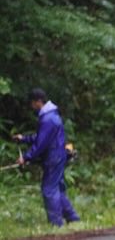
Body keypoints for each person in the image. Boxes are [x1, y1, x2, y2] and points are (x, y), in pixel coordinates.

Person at [14, 88, 80, 227]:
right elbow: (42, 137)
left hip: (53, 157)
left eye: (32, 103)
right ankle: (73, 219)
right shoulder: (50, 116)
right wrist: (24, 139)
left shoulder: (48, 119)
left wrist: (25, 157)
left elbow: (41, 144)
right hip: (58, 155)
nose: (31, 106)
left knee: (49, 190)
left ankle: (56, 224)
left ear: (38, 102)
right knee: (58, 189)